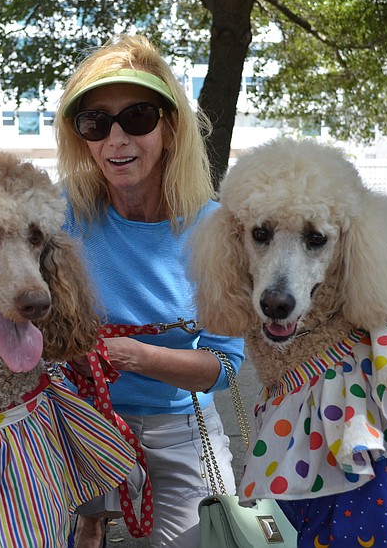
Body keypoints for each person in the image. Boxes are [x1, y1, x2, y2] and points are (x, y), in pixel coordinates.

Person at [54, 35, 245, 548]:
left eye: (137, 117)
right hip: (76, 418)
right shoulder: (61, 217)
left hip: (180, 426)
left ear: (170, 127)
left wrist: (135, 355)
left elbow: (225, 367)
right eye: (95, 122)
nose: (116, 138)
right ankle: (92, 519)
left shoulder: (214, 231)